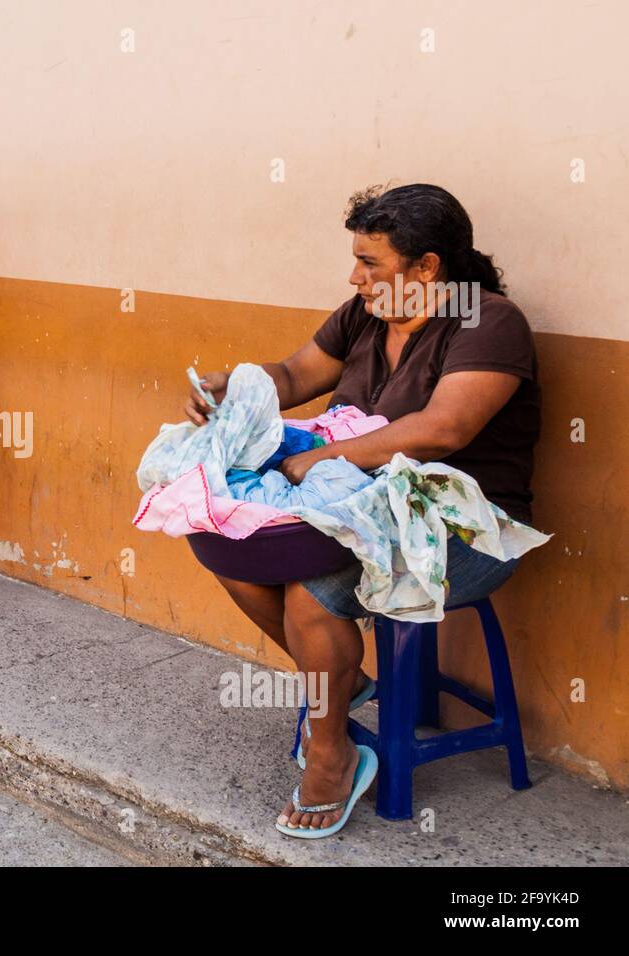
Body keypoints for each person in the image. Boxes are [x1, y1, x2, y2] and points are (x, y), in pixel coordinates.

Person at [184, 183, 540, 838]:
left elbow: (444, 430)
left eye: (371, 262)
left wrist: (325, 456)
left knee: (309, 595)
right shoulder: (364, 315)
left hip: (462, 528)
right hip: (358, 511)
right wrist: (233, 387)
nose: (356, 276)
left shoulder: (488, 323)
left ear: (427, 267)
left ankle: (332, 754)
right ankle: (340, 688)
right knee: (226, 546)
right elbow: (293, 376)